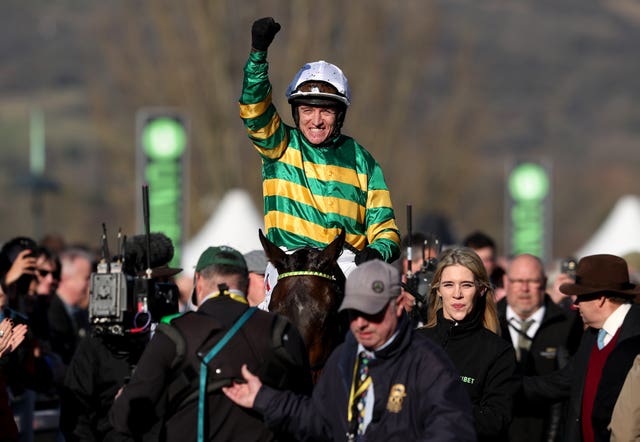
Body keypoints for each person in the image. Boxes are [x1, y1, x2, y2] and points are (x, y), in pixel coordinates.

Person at [223, 259, 476, 441]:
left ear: (398, 305)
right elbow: (319, 419)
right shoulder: (345, 357)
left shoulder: (429, 366)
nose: (361, 323)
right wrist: (263, 398)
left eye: (372, 312)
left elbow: (452, 430)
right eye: (354, 313)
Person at [240, 17, 401, 301]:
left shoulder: (362, 159)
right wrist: (258, 55)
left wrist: (379, 250)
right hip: (288, 264)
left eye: (326, 111)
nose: (316, 120)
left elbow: (385, 226)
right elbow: (254, 109)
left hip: (346, 265)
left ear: (339, 115)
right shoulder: (280, 143)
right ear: (296, 113)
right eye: (307, 111)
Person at [110, 245, 311, 441]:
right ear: (246, 284)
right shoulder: (280, 330)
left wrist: (123, 400)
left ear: (198, 281)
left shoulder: (174, 333)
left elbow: (125, 419)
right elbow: (306, 412)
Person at [61, 233, 181, 442]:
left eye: (167, 280)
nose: (164, 289)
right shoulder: (99, 343)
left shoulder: (177, 336)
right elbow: (75, 413)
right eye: (157, 281)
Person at [523, 254, 640, 442]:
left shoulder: (636, 336)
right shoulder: (592, 335)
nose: (575, 304)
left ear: (601, 299)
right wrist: (507, 385)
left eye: (580, 296)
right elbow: (564, 381)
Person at [418, 247, 517, 441]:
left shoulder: (498, 351)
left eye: (466, 285)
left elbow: (496, 420)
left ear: (481, 290)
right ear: (438, 290)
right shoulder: (415, 342)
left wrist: (443, 407)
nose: (457, 294)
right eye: (448, 285)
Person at [498, 253, 583, 442]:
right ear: (505, 281)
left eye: (532, 281)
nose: (524, 288)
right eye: (518, 281)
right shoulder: (488, 324)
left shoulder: (570, 325)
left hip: (552, 433)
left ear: (544, 282)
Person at [48, 247, 94, 367]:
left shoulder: (79, 314)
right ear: (65, 278)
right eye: (86, 278)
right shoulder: (50, 313)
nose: (91, 284)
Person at [462, 231, 506, 300]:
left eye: (489, 259)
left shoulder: (504, 282)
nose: (484, 265)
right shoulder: (454, 287)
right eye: (478, 260)